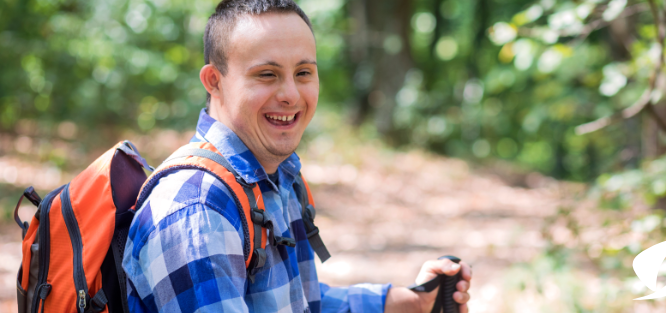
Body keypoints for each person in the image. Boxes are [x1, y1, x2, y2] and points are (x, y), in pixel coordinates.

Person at [122, 0, 472, 312]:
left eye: (303, 73)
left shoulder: (273, 177)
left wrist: (408, 303)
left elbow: (298, 302)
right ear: (215, 81)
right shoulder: (197, 209)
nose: (291, 94)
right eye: (267, 75)